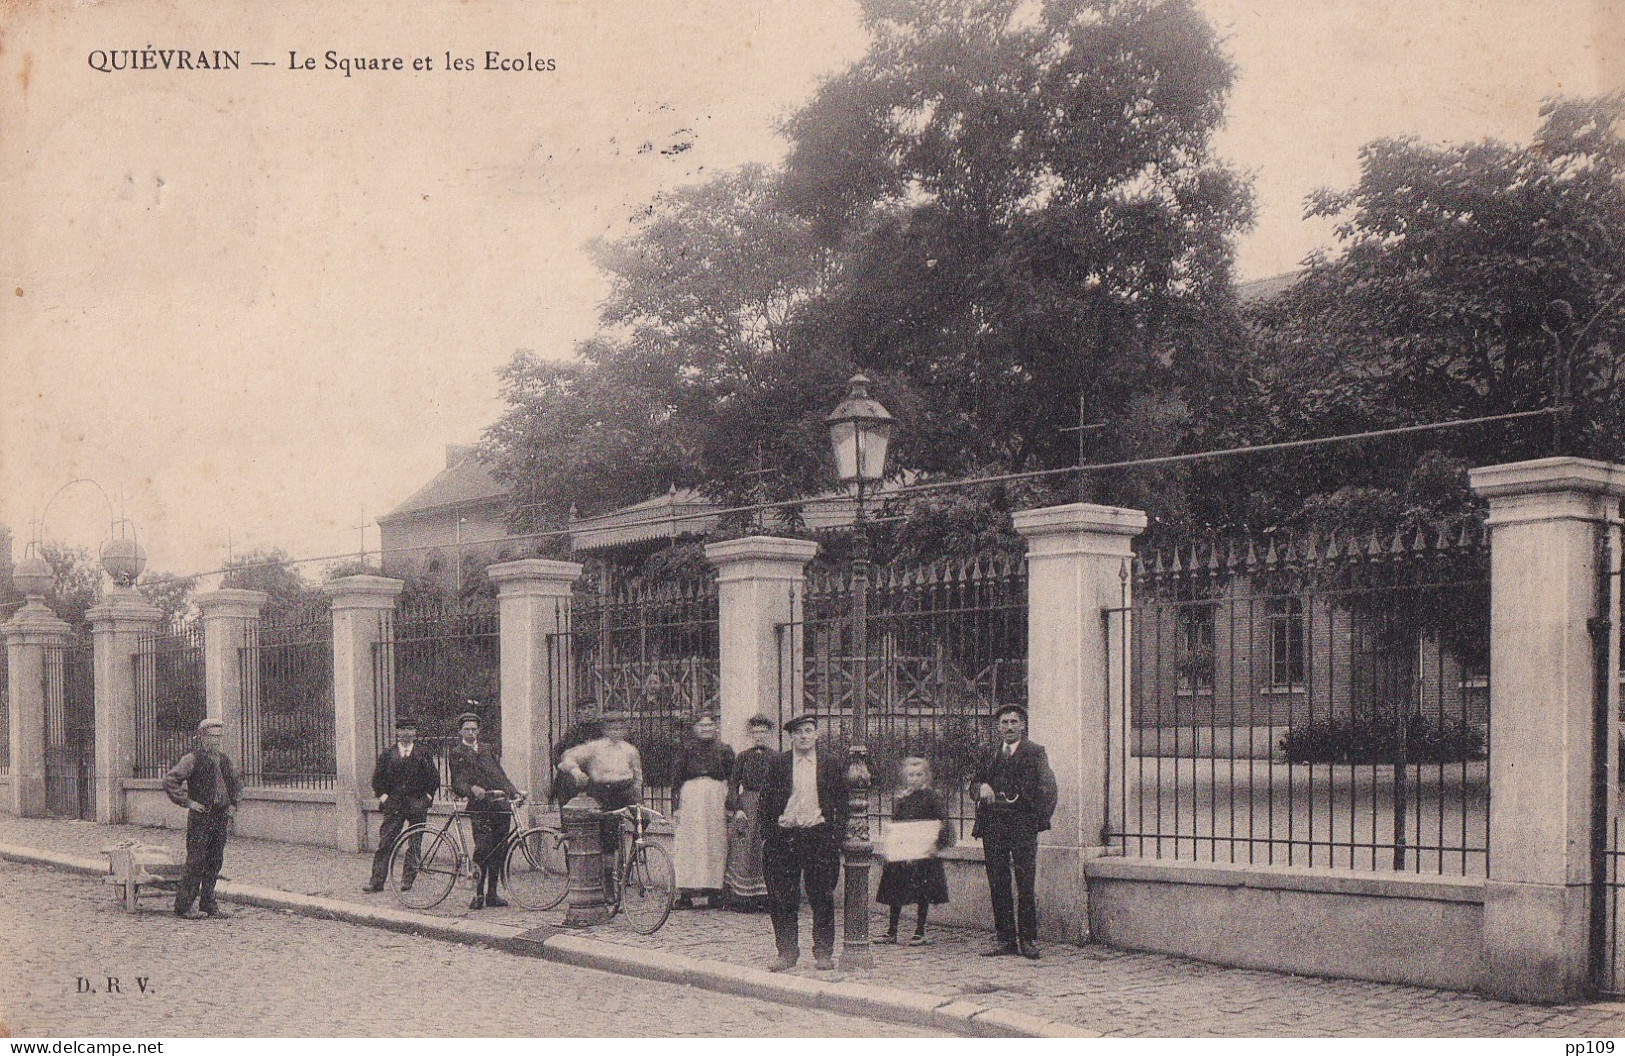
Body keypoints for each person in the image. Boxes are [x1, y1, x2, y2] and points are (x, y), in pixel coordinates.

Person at [760, 714, 847, 972]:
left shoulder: (829, 763)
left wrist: (836, 837)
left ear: (817, 734)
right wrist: (769, 833)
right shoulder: (779, 763)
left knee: (821, 896)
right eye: (798, 732)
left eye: (809, 731)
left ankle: (823, 952)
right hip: (784, 837)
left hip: (817, 837)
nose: (804, 736)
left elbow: (842, 803)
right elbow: (765, 800)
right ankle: (786, 952)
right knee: (782, 898)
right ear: (792, 737)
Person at [970, 703, 1057, 960]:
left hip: (1022, 825)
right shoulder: (989, 753)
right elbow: (973, 783)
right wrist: (981, 787)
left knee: (1025, 882)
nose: (1009, 727)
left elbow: (1049, 789)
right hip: (994, 824)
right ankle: (1005, 939)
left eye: (1014, 722)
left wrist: (1037, 820)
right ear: (998, 726)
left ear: (1023, 725)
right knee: (998, 881)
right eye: (1004, 722)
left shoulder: (1035, 753)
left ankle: (1028, 940)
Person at [162, 718, 241, 920]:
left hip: (220, 816)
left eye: (219, 736)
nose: (216, 741)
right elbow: (170, 780)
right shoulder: (192, 759)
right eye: (213, 736)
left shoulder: (224, 760)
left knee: (215, 861)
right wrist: (188, 803)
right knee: (196, 861)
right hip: (201, 817)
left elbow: (236, 784)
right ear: (203, 737)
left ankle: (208, 903)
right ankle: (184, 906)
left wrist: (233, 804)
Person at [447, 710, 526, 910]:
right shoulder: (456, 753)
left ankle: (492, 894)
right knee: (482, 848)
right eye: (467, 729)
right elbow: (457, 780)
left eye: (474, 729)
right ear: (460, 732)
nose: (471, 733)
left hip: (499, 805)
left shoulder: (487, 748)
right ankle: (478, 893)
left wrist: (513, 792)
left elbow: (499, 774)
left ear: (479, 730)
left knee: (499, 849)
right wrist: (471, 789)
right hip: (479, 806)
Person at [875, 756, 953, 946]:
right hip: (903, 852)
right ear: (906, 777)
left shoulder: (932, 798)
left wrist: (936, 845)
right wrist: (891, 845)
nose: (915, 778)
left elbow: (944, 824)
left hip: (923, 853)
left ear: (926, 776)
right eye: (911, 775)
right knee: (895, 890)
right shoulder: (902, 799)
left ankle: (920, 931)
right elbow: (896, 825)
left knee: (922, 893)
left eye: (919, 775)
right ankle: (891, 931)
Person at [362, 715, 440, 893]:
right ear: (397, 733)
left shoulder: (423, 753)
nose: (407, 734)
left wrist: (427, 797)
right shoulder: (388, 754)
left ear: (415, 733)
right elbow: (377, 780)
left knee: (414, 843)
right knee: (386, 842)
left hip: (417, 804)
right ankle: (376, 881)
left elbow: (434, 778)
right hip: (394, 805)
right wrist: (384, 798)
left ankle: (407, 879)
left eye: (411, 730)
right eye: (403, 730)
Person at [559, 712, 644, 868]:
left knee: (644, 818)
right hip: (604, 792)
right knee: (609, 834)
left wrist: (637, 790)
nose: (616, 731)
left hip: (625, 790)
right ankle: (609, 877)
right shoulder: (595, 747)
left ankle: (631, 860)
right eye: (612, 728)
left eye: (620, 728)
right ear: (605, 730)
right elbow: (567, 757)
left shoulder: (630, 750)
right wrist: (576, 772)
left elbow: (637, 774)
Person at [672, 713, 735, 909]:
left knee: (715, 843)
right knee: (690, 844)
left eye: (710, 725)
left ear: (716, 728)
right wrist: (676, 807)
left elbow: (732, 779)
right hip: (691, 798)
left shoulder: (724, 750)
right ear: (695, 728)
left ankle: (714, 892)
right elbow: (676, 780)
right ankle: (686, 894)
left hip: (715, 797)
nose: (706, 729)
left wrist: (730, 804)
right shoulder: (686, 749)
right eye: (702, 725)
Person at [724, 714, 776, 911]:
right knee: (744, 850)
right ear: (751, 735)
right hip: (748, 806)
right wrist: (737, 809)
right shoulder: (743, 757)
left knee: (765, 850)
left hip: (769, 806)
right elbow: (733, 785)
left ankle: (765, 898)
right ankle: (742, 898)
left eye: (763, 732)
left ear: (769, 734)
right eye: (756, 732)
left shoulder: (776, 757)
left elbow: (781, 785)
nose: (759, 736)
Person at [551, 694, 603, 805]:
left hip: (597, 775)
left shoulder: (602, 730)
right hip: (573, 776)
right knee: (563, 782)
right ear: (579, 712)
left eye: (590, 708)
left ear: (597, 709)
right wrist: (562, 765)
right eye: (583, 709)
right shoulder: (573, 731)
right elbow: (557, 751)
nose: (587, 712)